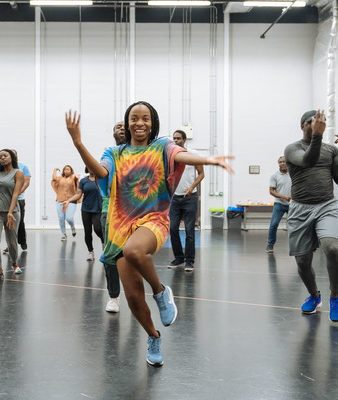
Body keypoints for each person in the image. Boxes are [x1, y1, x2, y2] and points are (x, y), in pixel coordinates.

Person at [65, 102, 233, 367]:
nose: (139, 123)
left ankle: (160, 291)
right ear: (127, 122)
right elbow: (101, 172)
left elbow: (181, 156)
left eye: (145, 118)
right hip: (121, 225)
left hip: (153, 218)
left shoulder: (162, 146)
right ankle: (153, 336)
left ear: (152, 122)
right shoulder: (115, 152)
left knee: (134, 251)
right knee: (132, 297)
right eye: (134, 118)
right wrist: (78, 142)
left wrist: (208, 160)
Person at [284, 109, 338, 323]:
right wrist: (318, 135)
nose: (317, 126)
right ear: (303, 126)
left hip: (327, 206)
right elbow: (308, 161)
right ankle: (314, 295)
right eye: (313, 123)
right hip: (300, 209)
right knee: (303, 261)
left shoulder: (331, 151)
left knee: (332, 247)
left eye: (320, 123)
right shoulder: (292, 149)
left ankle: (335, 296)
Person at [167, 129, 204, 272]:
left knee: (189, 230)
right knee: (173, 228)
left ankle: (190, 261)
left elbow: (201, 174)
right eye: (174, 139)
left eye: (178, 138)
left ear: (184, 139)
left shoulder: (193, 155)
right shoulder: (171, 157)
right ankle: (179, 258)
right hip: (174, 198)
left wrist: (192, 186)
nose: (176, 141)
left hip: (190, 197)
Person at [0, 149, 24, 280]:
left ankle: (14, 264)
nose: (2, 158)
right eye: (0, 157)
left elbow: (16, 193)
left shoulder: (18, 173)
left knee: (12, 242)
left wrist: (10, 212)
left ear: (12, 157)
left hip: (12, 212)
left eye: (5, 155)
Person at [101, 121, 126, 313]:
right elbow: (104, 167)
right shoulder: (110, 152)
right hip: (109, 210)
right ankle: (114, 297)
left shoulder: (144, 152)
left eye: (126, 125)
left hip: (137, 212)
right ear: (113, 133)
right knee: (111, 254)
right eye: (118, 126)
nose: (123, 128)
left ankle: (135, 293)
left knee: (135, 254)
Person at [64, 167, 104, 261]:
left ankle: (104, 243)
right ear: (87, 169)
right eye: (89, 167)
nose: (91, 169)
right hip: (86, 209)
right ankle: (90, 252)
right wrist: (68, 201)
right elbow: (78, 194)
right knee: (87, 231)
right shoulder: (83, 181)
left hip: (98, 208)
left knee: (98, 228)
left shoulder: (101, 180)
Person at [3, 149, 31, 255]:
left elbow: (26, 183)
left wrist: (17, 192)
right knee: (9, 223)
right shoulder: (4, 168)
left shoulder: (23, 167)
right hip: (7, 200)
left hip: (19, 200)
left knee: (19, 221)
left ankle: (22, 241)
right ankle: (10, 245)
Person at [266, 156, 292, 253]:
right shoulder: (275, 176)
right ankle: (270, 245)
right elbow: (271, 191)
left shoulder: (293, 174)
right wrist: (284, 197)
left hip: (292, 205)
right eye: (280, 162)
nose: (282, 163)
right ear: (278, 163)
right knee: (273, 225)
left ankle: (299, 245)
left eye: (284, 162)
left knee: (297, 225)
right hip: (279, 204)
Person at [52, 165, 79, 241]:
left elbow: (77, 179)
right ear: (63, 171)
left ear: (71, 171)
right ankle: (63, 234)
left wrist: (76, 177)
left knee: (69, 217)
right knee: (61, 218)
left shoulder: (73, 177)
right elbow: (54, 179)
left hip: (71, 200)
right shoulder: (60, 178)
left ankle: (72, 227)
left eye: (68, 169)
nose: (67, 171)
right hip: (60, 200)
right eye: (65, 170)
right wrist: (55, 169)